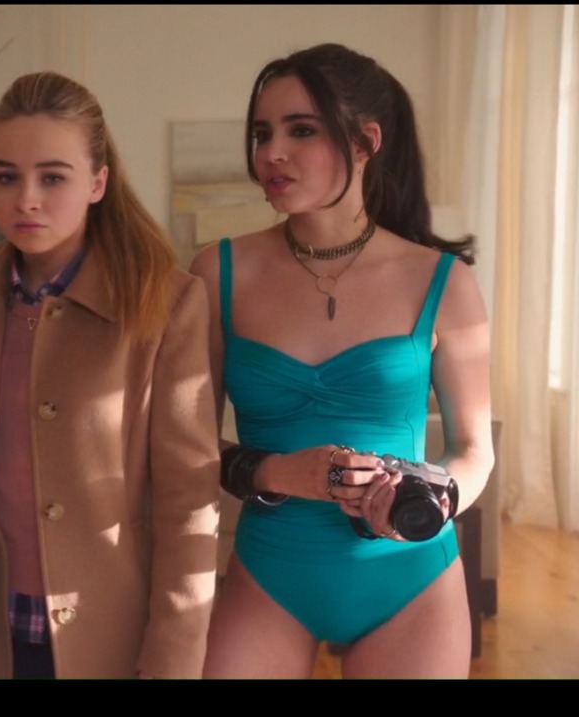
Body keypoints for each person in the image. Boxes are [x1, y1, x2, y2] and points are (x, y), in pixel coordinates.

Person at [0, 71, 222, 679]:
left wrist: (172, 662)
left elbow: (189, 503)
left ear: (98, 182)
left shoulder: (168, 302)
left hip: (110, 639)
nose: (26, 199)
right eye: (6, 177)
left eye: (52, 177)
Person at [190, 44, 494, 678]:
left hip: (410, 579)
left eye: (301, 130)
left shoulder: (442, 281)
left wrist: (432, 501)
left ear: (364, 142)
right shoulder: (219, 272)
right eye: (262, 134)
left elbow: (474, 451)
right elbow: (181, 443)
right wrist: (276, 471)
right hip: (270, 576)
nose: (272, 153)